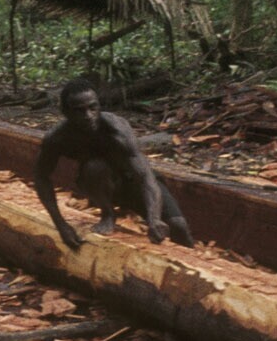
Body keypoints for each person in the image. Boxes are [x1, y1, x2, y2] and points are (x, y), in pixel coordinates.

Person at [34, 77, 194, 250]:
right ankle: (108, 214)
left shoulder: (116, 129)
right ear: (66, 112)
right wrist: (61, 225)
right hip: (100, 187)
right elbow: (41, 177)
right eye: (79, 111)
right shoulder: (57, 138)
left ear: (99, 106)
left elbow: (145, 177)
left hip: (134, 182)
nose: (88, 116)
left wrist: (154, 218)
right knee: (95, 166)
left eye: (92, 108)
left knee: (178, 225)